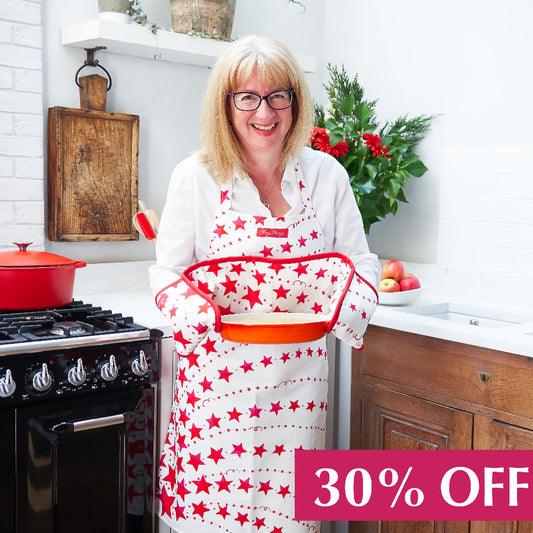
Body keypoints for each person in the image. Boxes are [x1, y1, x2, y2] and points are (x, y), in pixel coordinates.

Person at [150, 35, 381, 533]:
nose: (265, 111)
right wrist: (200, 315)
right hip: (217, 394)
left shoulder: (327, 177)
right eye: (247, 97)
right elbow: (165, 273)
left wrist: (347, 310)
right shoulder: (195, 177)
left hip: (296, 393)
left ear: (295, 103)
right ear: (226, 105)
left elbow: (362, 264)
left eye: (279, 95)